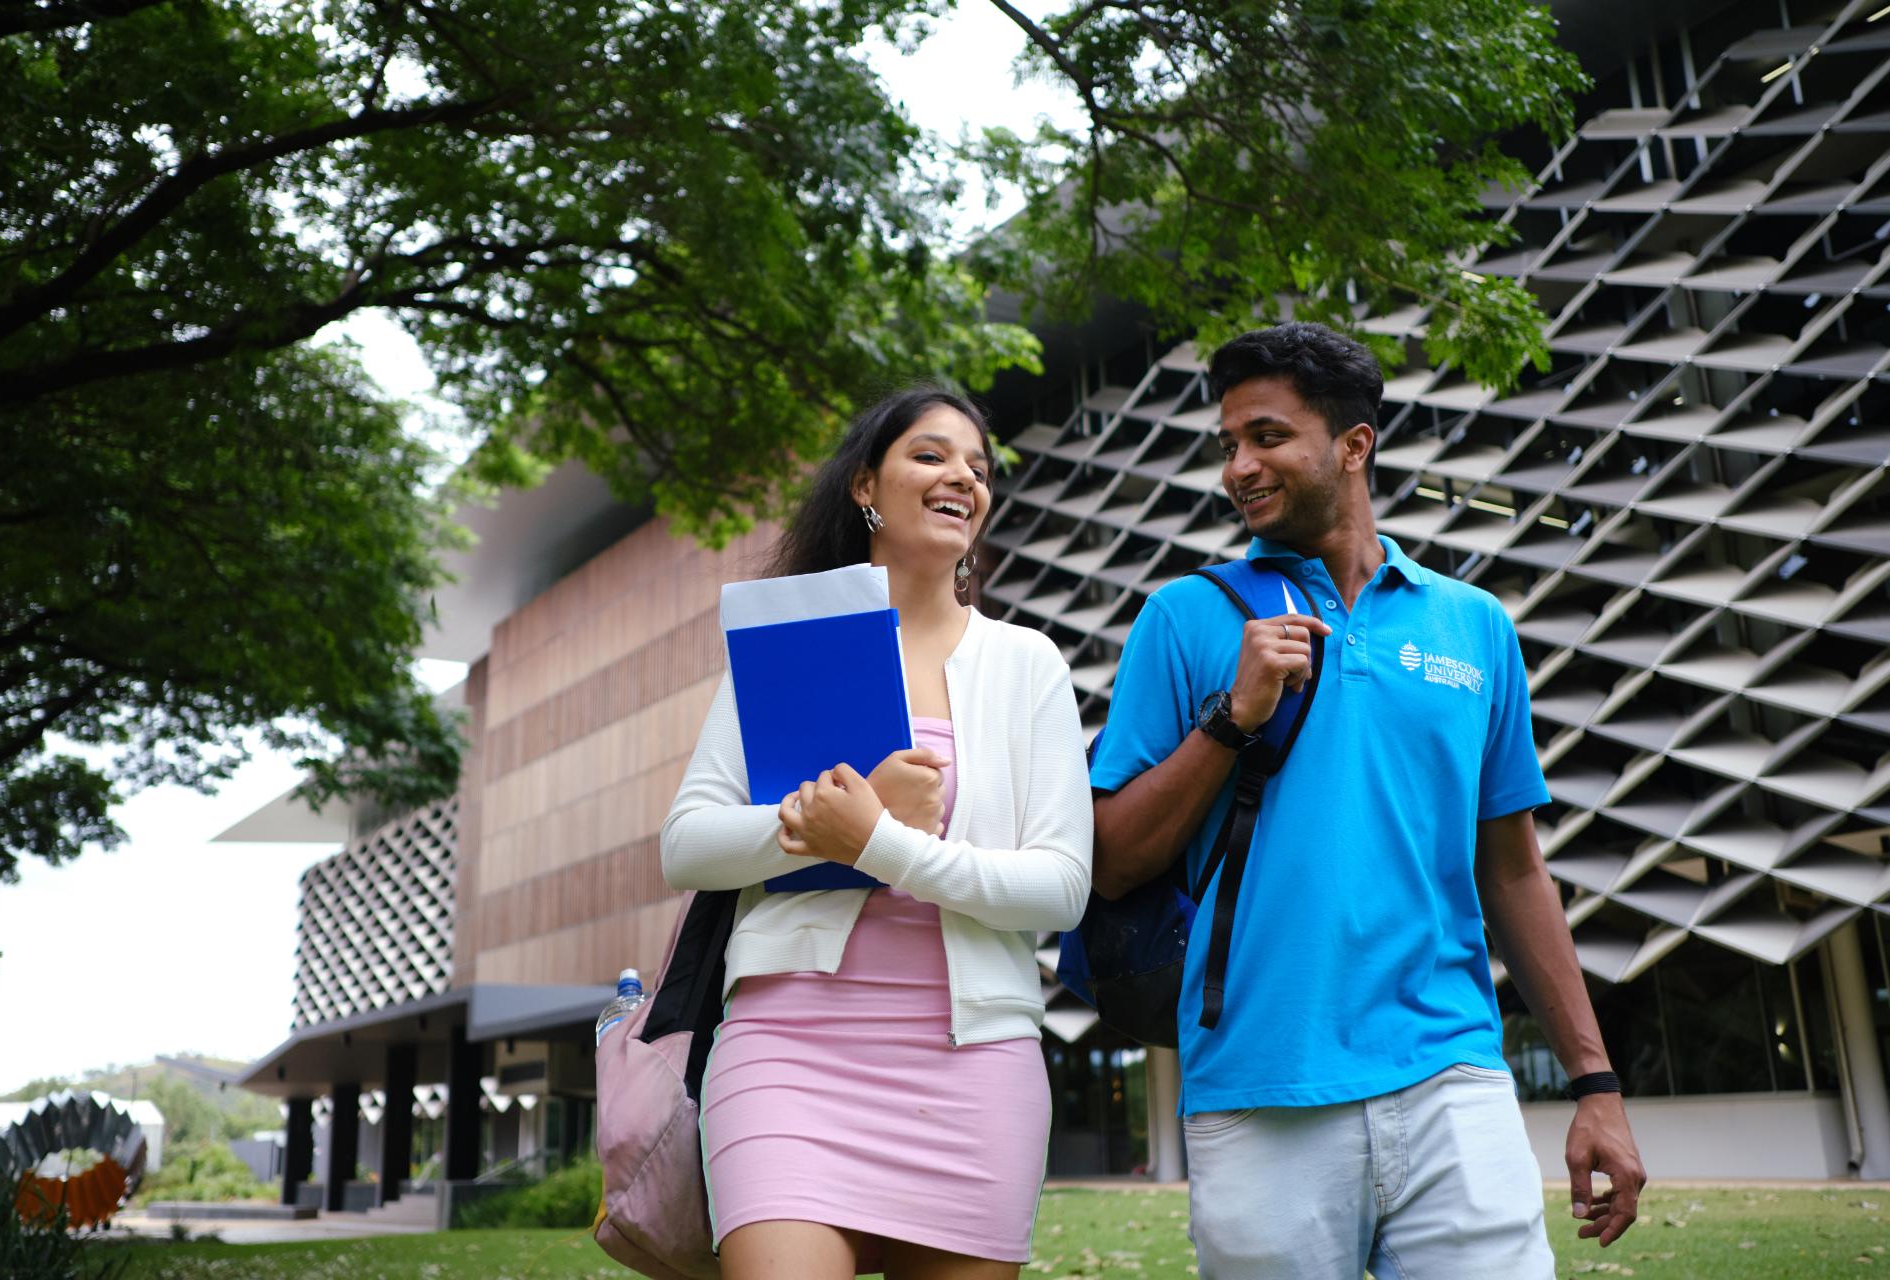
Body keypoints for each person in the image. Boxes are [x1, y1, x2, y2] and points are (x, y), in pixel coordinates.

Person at [1089, 324, 1646, 1278]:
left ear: (1354, 445)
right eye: (1227, 445)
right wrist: (1231, 719)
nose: (1239, 468)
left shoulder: (1473, 627)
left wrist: (1596, 1083)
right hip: (1260, 1086)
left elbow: (1512, 869)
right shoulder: (1182, 618)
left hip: (1452, 1075)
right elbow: (1109, 859)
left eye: (1267, 437)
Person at [660, 387, 1094, 1280]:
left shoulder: (1027, 664)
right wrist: (827, 827)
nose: (962, 478)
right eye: (931, 456)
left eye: (978, 467)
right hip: (790, 1051)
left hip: (974, 1067)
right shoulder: (791, 646)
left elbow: (1059, 886)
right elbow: (689, 845)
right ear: (867, 486)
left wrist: (881, 844)